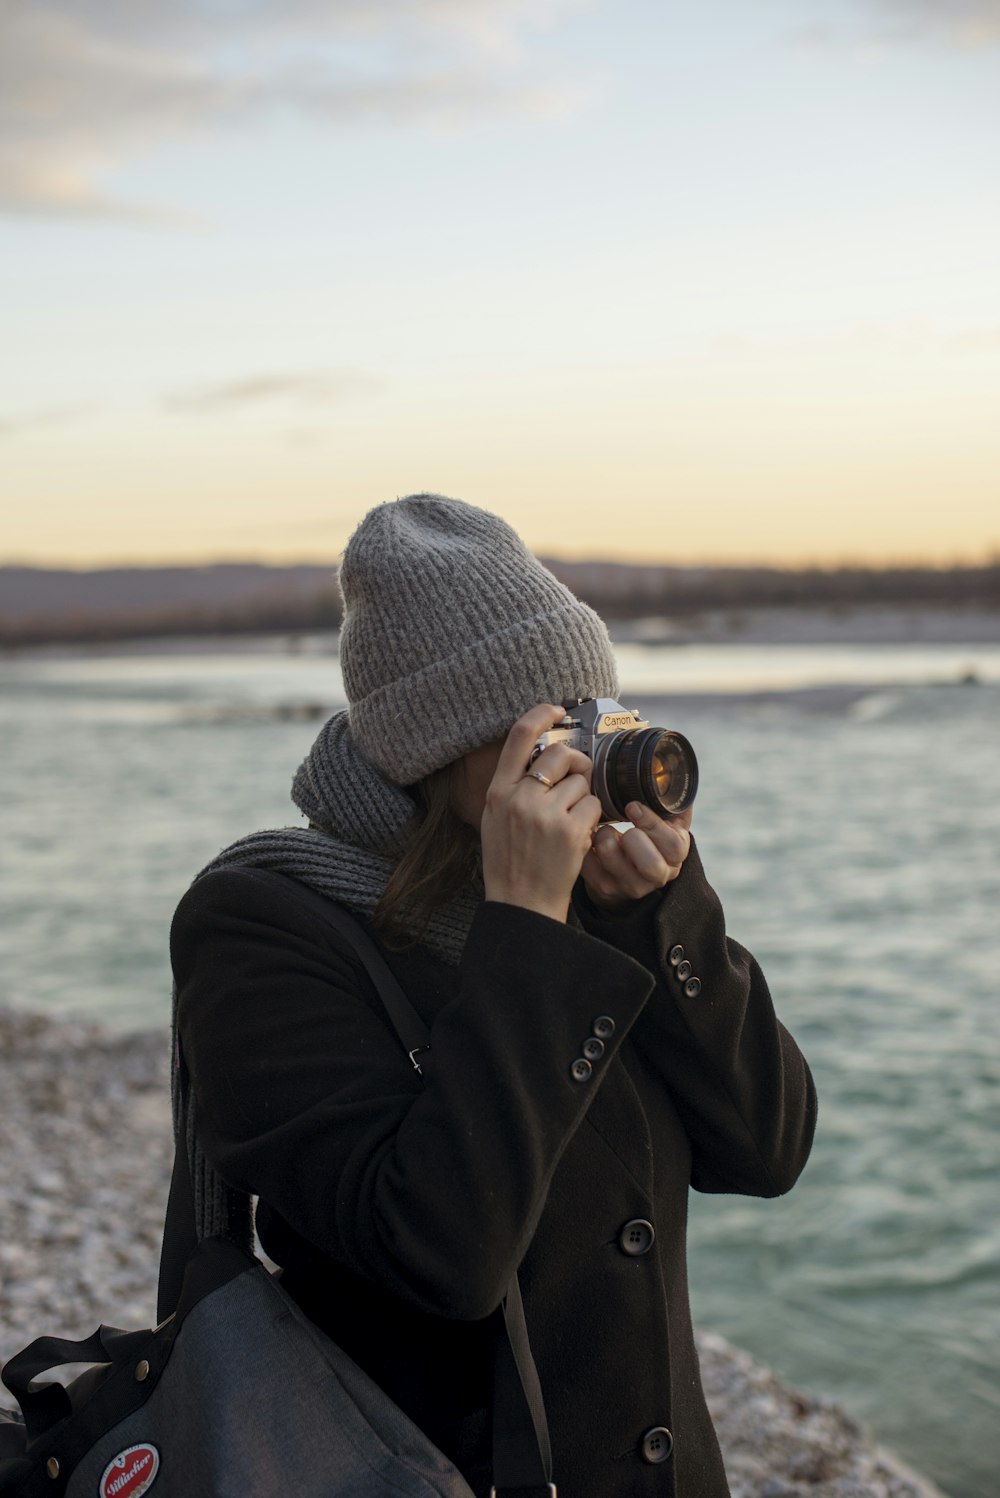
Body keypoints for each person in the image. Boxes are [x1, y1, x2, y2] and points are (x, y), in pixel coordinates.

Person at [169, 493, 817, 1498]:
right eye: (547, 722)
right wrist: (526, 930)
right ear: (441, 744)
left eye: (592, 714)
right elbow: (439, 1253)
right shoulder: (263, 924)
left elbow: (768, 1148)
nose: (581, 749)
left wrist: (662, 909)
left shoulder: (590, 897)